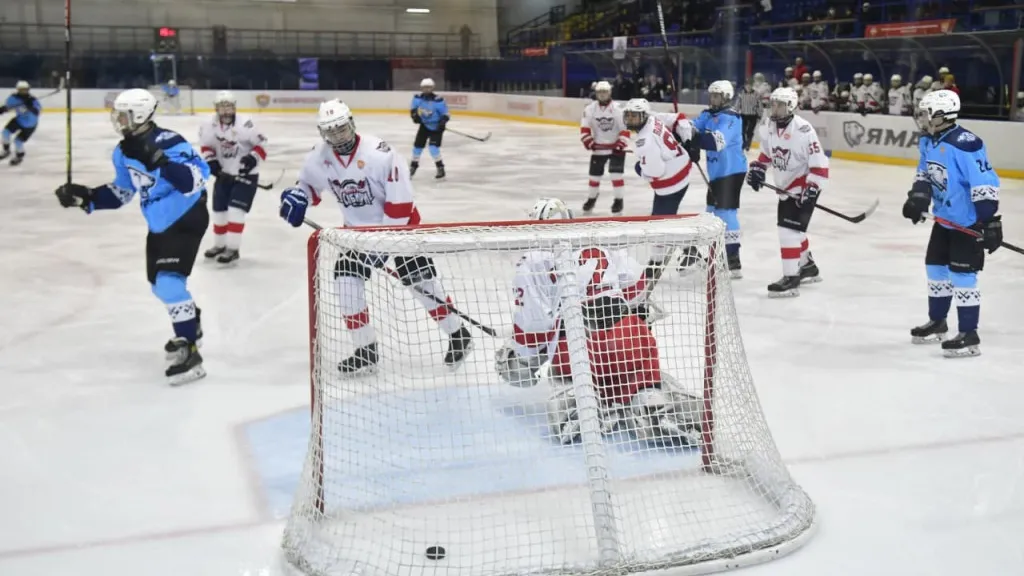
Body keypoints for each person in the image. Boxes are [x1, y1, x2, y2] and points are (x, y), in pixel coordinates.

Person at [278, 99, 472, 374]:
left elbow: (400, 206)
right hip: (358, 236)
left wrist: (382, 245)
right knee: (345, 282)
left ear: (352, 124)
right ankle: (365, 349)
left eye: (342, 130)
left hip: (400, 228)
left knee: (422, 284)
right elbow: (309, 185)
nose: (338, 137)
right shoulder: (320, 156)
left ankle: (457, 333)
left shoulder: (381, 154)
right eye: (331, 132)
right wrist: (299, 197)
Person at [494, 197, 699, 446]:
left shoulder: (533, 260)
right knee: (641, 375)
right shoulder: (600, 241)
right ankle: (650, 400)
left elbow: (533, 325)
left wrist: (520, 358)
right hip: (632, 339)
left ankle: (582, 406)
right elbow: (638, 290)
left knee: (564, 373)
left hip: (580, 349)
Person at [54, 88, 211, 384]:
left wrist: (160, 161)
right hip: (159, 223)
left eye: (123, 115)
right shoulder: (123, 151)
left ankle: (190, 354)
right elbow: (122, 192)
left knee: (169, 283)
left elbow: (196, 179)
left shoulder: (170, 141)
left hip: (186, 216)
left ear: (139, 115)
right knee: (158, 285)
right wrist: (85, 197)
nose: (117, 120)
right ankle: (192, 323)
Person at [902, 90, 1001, 357]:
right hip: (945, 221)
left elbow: (985, 181)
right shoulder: (929, 140)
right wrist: (918, 198)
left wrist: (989, 221)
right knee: (935, 269)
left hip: (966, 223)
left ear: (941, 115)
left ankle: (969, 335)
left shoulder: (966, 144)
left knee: (963, 277)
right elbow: (924, 172)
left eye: (925, 113)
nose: (920, 118)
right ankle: (938, 322)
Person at [746, 87, 829, 297]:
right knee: (796, 230)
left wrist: (811, 189)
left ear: (791, 106)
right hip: (786, 186)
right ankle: (808, 267)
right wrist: (758, 168)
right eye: (773, 104)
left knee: (787, 231)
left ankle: (791, 278)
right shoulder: (769, 125)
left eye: (780, 105)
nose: (775, 108)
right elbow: (767, 153)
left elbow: (819, 165)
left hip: (803, 186)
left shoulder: (804, 130)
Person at [198, 90, 268, 264]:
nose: (226, 111)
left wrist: (252, 158)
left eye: (229, 106)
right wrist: (212, 162)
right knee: (219, 212)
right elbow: (206, 146)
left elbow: (263, 143)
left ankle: (233, 249)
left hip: (247, 175)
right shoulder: (209, 126)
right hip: (224, 175)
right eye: (222, 107)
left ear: (234, 107)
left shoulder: (246, 124)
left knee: (235, 212)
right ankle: (220, 245)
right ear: (216, 109)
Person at [687, 80, 746, 278]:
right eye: (711, 95)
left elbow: (716, 142)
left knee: (726, 213)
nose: (713, 99)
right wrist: (681, 131)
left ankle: (733, 260)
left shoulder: (731, 118)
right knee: (712, 212)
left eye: (717, 96)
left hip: (731, 171)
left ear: (727, 98)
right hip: (717, 172)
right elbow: (691, 128)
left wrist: (693, 140)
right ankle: (717, 255)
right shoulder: (708, 115)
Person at [579, 80, 629, 215]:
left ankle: (619, 200)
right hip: (598, 150)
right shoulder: (589, 109)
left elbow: (625, 130)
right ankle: (592, 198)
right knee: (594, 177)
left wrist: (621, 144)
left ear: (610, 92)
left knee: (616, 175)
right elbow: (584, 128)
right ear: (596, 93)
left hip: (616, 149)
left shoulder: (618, 109)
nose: (602, 95)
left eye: (604, 92)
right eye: (599, 92)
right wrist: (588, 141)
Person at [409, 78, 449, 179]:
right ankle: (413, 166)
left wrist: (442, 122)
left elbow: (445, 114)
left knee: (433, 148)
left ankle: (440, 168)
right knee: (417, 147)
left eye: (428, 87)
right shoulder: (418, 98)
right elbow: (413, 109)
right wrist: (414, 116)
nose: (426, 90)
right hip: (424, 126)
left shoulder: (438, 100)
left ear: (432, 88)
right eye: (424, 88)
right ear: (421, 88)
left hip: (436, 128)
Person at [0, 80, 42, 165]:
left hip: (30, 125)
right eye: (22, 89)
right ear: (18, 89)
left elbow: (37, 112)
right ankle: (6, 150)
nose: (24, 91)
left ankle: (19, 156)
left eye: (25, 89)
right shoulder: (13, 98)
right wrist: (3, 109)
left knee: (18, 141)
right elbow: (8, 107)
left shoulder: (32, 100)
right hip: (19, 120)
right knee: (5, 132)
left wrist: (30, 107)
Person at [736, 79, 760, 151]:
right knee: (742, 131)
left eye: (750, 85)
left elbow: (760, 105)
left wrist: (760, 114)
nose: (748, 86)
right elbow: (738, 104)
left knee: (749, 131)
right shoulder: (741, 94)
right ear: (745, 86)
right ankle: (744, 144)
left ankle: (748, 144)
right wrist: (735, 112)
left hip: (753, 115)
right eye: (747, 85)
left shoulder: (756, 94)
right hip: (743, 115)